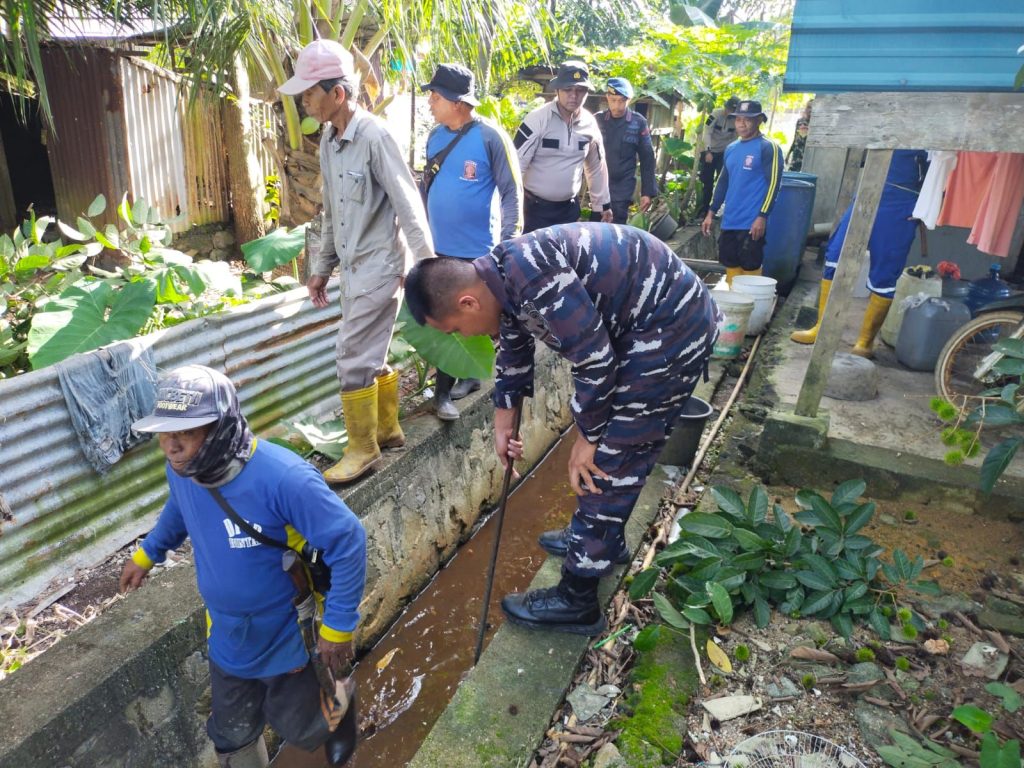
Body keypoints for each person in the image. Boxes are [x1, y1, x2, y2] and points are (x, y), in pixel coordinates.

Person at [403, 224, 720, 635]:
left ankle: (577, 599)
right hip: (642, 327)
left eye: (456, 329)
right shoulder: (499, 275)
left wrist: (585, 439)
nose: (464, 336)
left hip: (672, 330)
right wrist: (504, 417)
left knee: (609, 458)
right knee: (604, 450)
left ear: (467, 302)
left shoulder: (533, 275)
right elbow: (514, 342)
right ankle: (605, 540)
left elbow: (596, 362)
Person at [119, 365, 367, 768]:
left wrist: (338, 628)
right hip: (227, 632)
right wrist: (148, 554)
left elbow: (349, 540)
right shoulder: (184, 470)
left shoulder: (284, 477)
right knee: (231, 732)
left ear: (221, 428)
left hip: (286, 630)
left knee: (304, 723)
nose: (171, 445)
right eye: (165, 432)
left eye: (185, 433)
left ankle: (341, 710)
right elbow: (179, 509)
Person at [278, 39, 434, 484]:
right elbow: (330, 210)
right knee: (370, 352)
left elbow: (409, 205)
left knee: (351, 353)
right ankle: (386, 429)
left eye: (310, 92)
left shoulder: (374, 137)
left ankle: (362, 448)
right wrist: (320, 266)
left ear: (338, 93)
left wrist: (427, 268)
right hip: (351, 268)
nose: (304, 100)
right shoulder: (329, 139)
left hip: (381, 266)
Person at [421, 62, 523, 420]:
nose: (430, 102)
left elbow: (512, 191)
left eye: (435, 96)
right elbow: (426, 187)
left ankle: (444, 395)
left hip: (477, 250)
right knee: (443, 317)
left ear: (456, 101)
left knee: (463, 314)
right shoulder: (435, 137)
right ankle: (462, 379)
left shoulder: (491, 138)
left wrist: (510, 241)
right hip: (438, 247)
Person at [791, 149, 928, 357]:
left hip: (902, 203)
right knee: (835, 256)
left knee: (886, 271)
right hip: (867, 192)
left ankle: (865, 341)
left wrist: (927, 209)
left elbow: (942, 174)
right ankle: (822, 328)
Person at [513, 61, 613, 232]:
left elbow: (596, 168)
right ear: (557, 90)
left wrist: (602, 207)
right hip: (533, 210)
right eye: (568, 89)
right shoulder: (537, 119)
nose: (573, 95)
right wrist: (510, 208)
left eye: (580, 90)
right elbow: (515, 165)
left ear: (586, 93)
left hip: (568, 212)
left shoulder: (590, 124)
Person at [700, 99, 784, 286]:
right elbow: (723, 182)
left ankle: (753, 311)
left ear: (759, 120)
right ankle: (735, 308)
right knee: (730, 263)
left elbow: (774, 185)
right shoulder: (731, 148)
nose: (742, 123)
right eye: (738, 119)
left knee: (750, 264)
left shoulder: (768, 147)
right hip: (730, 219)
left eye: (748, 119)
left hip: (752, 221)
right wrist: (711, 213)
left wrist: (762, 216)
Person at [594, 77, 657, 225]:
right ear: (607, 98)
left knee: (617, 227)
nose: (617, 106)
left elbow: (648, 158)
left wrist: (647, 192)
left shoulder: (638, 123)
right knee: (594, 228)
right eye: (613, 100)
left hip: (623, 187)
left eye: (621, 101)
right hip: (598, 185)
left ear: (629, 100)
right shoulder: (596, 120)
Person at [696, 95, 741, 218]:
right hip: (710, 151)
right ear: (725, 107)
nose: (730, 113)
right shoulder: (715, 114)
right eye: (729, 109)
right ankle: (704, 209)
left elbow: (736, 137)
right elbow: (707, 132)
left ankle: (718, 210)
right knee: (707, 182)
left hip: (724, 152)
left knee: (724, 180)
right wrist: (708, 151)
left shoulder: (737, 120)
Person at [786, 99, 813, 172]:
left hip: (808, 156)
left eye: (812, 108)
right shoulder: (801, 121)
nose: (810, 110)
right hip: (797, 155)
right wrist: (789, 153)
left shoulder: (815, 124)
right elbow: (796, 139)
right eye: (809, 107)